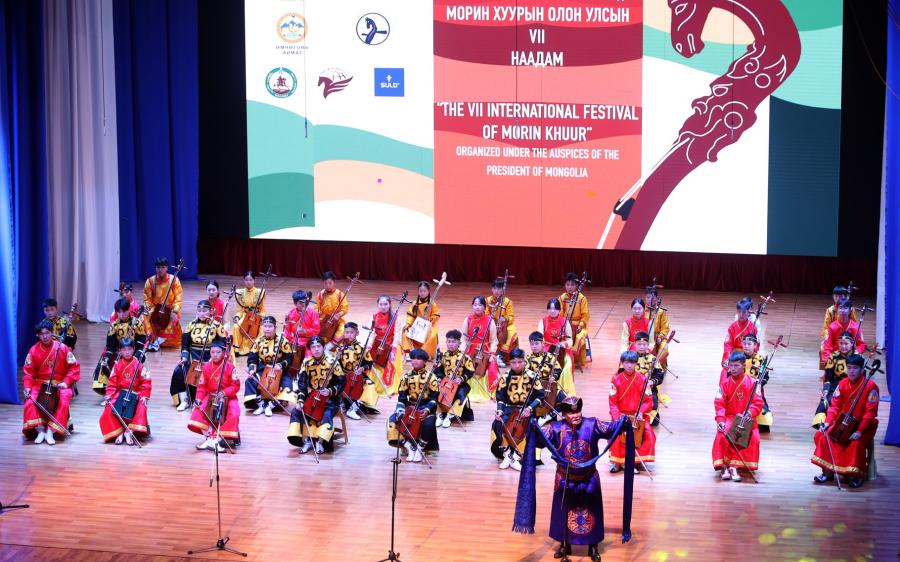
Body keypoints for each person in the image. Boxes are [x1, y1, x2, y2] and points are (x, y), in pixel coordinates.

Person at [530, 396, 632, 562]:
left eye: (578, 411)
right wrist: (532, 427)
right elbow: (540, 441)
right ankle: (565, 545)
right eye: (571, 413)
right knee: (563, 512)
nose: (575, 415)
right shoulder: (555, 428)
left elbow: (610, 428)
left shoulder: (592, 424)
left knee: (591, 512)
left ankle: (593, 546)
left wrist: (623, 421)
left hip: (588, 478)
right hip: (565, 479)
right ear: (564, 414)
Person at [811, 354, 878, 488]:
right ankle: (827, 471)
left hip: (864, 425)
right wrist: (828, 422)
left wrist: (859, 431)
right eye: (849, 368)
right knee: (824, 435)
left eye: (855, 368)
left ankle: (856, 474)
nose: (851, 371)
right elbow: (835, 406)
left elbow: (869, 413)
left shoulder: (871, 386)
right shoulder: (842, 383)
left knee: (855, 443)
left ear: (862, 369)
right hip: (844, 422)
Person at [22, 321, 81, 444]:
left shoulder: (62, 348)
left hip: (59, 384)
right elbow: (28, 372)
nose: (45, 336)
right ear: (38, 335)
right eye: (41, 334)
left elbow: (74, 367)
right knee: (30, 401)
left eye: (47, 333)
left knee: (63, 400)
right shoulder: (33, 350)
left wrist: (66, 382)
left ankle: (50, 431)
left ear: (52, 333)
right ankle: (40, 430)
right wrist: (27, 387)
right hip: (40, 384)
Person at [287, 337, 345, 455]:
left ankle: (320, 441)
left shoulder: (332, 361)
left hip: (330, 398)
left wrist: (330, 391)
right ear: (310, 349)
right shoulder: (306, 362)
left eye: (319, 346)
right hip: (312, 396)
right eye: (313, 347)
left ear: (323, 347)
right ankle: (306, 440)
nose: (316, 349)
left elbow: (342, 383)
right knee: (298, 410)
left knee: (326, 413)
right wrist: (300, 401)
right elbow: (302, 384)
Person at [713, 351, 764, 481]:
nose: (733, 369)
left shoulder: (753, 383)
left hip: (746, 418)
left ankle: (734, 466)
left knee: (754, 437)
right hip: (730, 417)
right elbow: (719, 404)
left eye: (736, 365)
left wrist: (750, 412)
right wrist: (721, 420)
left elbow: (758, 402)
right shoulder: (724, 384)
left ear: (744, 366)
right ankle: (724, 466)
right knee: (722, 434)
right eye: (731, 365)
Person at [491, 349, 543, 471]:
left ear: (525, 361)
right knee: (498, 423)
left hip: (526, 410)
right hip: (510, 408)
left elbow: (540, 396)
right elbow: (500, 397)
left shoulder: (532, 376)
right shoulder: (505, 377)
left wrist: (530, 408)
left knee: (529, 427)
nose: (517, 365)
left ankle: (516, 455)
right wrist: (500, 411)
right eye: (514, 362)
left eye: (520, 362)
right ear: (510, 363)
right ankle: (507, 454)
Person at [171, 300, 227, 410]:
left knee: (205, 375)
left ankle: (200, 401)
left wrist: (212, 359)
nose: (202, 313)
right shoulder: (191, 325)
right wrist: (184, 357)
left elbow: (222, 345)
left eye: (205, 311)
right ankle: (185, 400)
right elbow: (185, 344)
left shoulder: (217, 326)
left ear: (211, 311)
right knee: (179, 371)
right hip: (193, 357)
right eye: (199, 311)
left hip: (211, 357)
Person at [387, 348, 440, 462]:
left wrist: (427, 410)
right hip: (410, 406)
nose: (415, 361)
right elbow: (402, 397)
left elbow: (435, 397)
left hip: (426, 406)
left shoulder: (431, 377)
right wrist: (400, 410)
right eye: (413, 358)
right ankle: (409, 446)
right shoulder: (406, 377)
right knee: (392, 421)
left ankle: (420, 448)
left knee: (428, 423)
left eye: (419, 358)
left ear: (425, 361)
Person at [188, 341, 241, 452]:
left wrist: (225, 392)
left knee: (234, 413)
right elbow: (202, 386)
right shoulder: (206, 367)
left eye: (218, 352)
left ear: (223, 353)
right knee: (198, 410)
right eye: (213, 352)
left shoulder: (230, 367)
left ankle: (217, 439)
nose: (215, 355)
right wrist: (198, 398)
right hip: (211, 395)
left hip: (228, 397)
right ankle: (209, 438)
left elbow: (236, 385)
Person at [609, 351, 656, 473]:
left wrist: (641, 412)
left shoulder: (643, 379)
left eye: (632, 363)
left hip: (637, 415)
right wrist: (617, 418)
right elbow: (613, 403)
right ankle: (617, 462)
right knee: (617, 433)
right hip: (621, 415)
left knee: (649, 434)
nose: (629, 366)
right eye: (626, 363)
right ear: (622, 363)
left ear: (636, 363)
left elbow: (648, 400)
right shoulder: (615, 380)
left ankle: (632, 462)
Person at [99, 338, 151, 445]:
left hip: (136, 393)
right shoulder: (117, 365)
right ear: (120, 351)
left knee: (142, 405)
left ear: (133, 349)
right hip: (120, 392)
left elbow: (146, 381)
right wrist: (109, 395)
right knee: (109, 406)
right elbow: (112, 382)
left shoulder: (139, 365)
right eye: (124, 350)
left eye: (129, 349)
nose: (127, 352)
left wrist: (144, 395)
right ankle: (119, 432)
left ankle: (129, 432)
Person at [94, 298, 148, 395]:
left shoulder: (137, 323)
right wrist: (107, 358)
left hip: (134, 352)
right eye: (119, 312)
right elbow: (110, 346)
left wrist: (135, 356)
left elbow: (141, 344)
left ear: (129, 310)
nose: (121, 314)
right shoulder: (114, 325)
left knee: (132, 363)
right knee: (104, 362)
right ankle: (110, 391)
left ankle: (131, 390)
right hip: (119, 352)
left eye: (124, 311)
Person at [243, 316, 294, 416]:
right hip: (263, 367)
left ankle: (271, 406)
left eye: (270, 326)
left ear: (275, 327)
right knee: (250, 381)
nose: (267, 329)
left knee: (287, 385)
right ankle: (261, 405)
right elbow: (252, 358)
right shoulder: (258, 341)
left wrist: (281, 365)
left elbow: (289, 357)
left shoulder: (282, 340)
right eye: (265, 326)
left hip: (279, 369)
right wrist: (252, 369)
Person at [335, 322, 378, 420]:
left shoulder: (362, 347)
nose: (349, 335)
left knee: (369, 385)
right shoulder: (340, 347)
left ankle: (353, 407)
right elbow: (337, 364)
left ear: (357, 333)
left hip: (358, 374)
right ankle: (344, 403)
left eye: (352, 332)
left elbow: (369, 363)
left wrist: (362, 368)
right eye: (347, 332)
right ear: (344, 333)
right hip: (344, 373)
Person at [433, 329, 475, 427]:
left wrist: (461, 378)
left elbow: (470, 372)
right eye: (449, 341)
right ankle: (440, 415)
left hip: (459, 384)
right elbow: (438, 370)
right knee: (436, 392)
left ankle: (450, 416)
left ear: (459, 343)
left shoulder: (465, 357)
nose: (451, 344)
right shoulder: (443, 355)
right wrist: (440, 378)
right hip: (445, 382)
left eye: (454, 342)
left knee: (461, 395)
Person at [527, 331, 570, 426]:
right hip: (535, 386)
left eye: (537, 343)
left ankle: (549, 416)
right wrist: (534, 376)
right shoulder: (528, 358)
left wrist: (554, 376)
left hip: (550, 385)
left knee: (565, 400)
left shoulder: (550, 357)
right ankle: (534, 418)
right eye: (532, 344)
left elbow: (558, 369)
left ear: (543, 343)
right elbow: (525, 371)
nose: (534, 346)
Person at [813, 332, 854, 428]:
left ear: (852, 343)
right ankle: (822, 425)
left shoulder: (858, 357)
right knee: (825, 400)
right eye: (841, 343)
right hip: (836, 385)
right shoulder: (834, 356)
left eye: (846, 343)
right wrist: (825, 391)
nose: (843, 346)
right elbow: (828, 377)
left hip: (852, 385)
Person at [462, 296, 499, 400]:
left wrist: (492, 354)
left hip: (485, 351)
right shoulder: (468, 319)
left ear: (484, 307)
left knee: (492, 366)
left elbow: (494, 340)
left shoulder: (490, 320)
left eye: (480, 305)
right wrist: (462, 352)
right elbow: (463, 339)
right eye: (475, 305)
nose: (477, 307)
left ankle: (489, 391)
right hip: (471, 350)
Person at [143, 257, 183, 351]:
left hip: (170, 308)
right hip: (155, 307)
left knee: (173, 318)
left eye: (163, 267)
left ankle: (158, 342)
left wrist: (175, 310)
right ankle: (150, 339)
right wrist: (148, 308)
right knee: (145, 317)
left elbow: (178, 297)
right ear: (155, 268)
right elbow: (147, 299)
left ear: (167, 268)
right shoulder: (150, 281)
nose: (160, 270)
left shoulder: (174, 280)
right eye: (158, 267)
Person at [369, 294, 404, 395]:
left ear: (390, 305)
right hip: (377, 343)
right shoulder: (374, 317)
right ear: (378, 305)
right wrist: (369, 346)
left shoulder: (396, 318)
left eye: (385, 304)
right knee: (370, 360)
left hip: (391, 343)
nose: (383, 306)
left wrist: (393, 349)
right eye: (381, 304)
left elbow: (397, 335)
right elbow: (372, 333)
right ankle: (374, 386)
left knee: (391, 359)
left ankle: (390, 387)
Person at [538, 298, 575, 387]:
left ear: (559, 310)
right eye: (550, 308)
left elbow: (570, 340)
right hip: (547, 348)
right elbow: (539, 338)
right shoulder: (543, 321)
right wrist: (541, 343)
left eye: (555, 309)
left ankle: (563, 386)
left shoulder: (565, 322)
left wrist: (563, 344)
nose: (552, 311)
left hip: (562, 349)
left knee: (567, 364)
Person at [633, 332, 667, 427]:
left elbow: (660, 376)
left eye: (644, 344)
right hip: (633, 388)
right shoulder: (630, 358)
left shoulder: (653, 359)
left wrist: (651, 382)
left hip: (649, 389)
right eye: (639, 344)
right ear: (635, 344)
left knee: (653, 421)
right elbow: (621, 372)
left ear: (648, 345)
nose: (641, 347)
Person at [401, 281, 440, 360]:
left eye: (424, 291)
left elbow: (436, 315)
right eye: (420, 291)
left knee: (432, 335)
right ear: (418, 292)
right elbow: (411, 315)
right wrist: (408, 324)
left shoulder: (432, 303)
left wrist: (429, 319)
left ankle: (426, 354)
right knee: (405, 331)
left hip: (429, 325)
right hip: (417, 324)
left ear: (428, 292)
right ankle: (411, 352)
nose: (422, 293)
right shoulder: (415, 303)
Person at [559, 273, 590, 367]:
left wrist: (580, 326)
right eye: (567, 284)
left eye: (572, 285)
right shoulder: (562, 298)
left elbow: (585, 315)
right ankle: (561, 358)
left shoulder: (582, 298)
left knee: (579, 338)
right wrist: (562, 324)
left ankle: (575, 360)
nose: (570, 287)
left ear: (577, 285)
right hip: (565, 324)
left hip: (578, 325)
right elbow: (560, 313)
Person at [233, 271, 266, 356]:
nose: (248, 282)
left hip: (256, 316)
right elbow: (239, 310)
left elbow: (262, 309)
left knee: (261, 329)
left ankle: (254, 349)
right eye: (246, 280)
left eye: (250, 280)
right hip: (245, 315)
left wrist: (262, 318)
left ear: (254, 280)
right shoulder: (240, 293)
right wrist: (237, 317)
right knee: (236, 326)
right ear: (244, 280)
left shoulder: (260, 292)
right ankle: (237, 349)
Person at [487, 278, 518, 367]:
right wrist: (491, 318)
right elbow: (485, 314)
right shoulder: (488, 300)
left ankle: (500, 355)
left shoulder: (508, 302)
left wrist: (505, 318)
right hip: (491, 323)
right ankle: (488, 354)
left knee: (512, 330)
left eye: (499, 289)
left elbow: (511, 317)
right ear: (492, 289)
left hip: (503, 325)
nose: (497, 291)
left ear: (503, 290)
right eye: (495, 288)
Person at [284, 290, 320, 367]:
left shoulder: (313, 313)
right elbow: (287, 331)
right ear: (295, 303)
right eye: (301, 303)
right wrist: (292, 341)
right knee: (288, 360)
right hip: (295, 341)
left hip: (310, 341)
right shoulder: (290, 313)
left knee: (309, 361)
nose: (303, 304)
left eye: (305, 302)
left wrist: (305, 331)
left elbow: (316, 330)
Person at [315, 271, 349, 348]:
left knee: (343, 331)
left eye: (330, 283)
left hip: (336, 320)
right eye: (325, 283)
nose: (328, 285)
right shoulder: (320, 294)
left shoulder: (340, 294)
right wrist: (317, 311)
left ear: (334, 282)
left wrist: (338, 314)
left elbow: (345, 309)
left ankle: (329, 347)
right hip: (323, 320)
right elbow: (316, 306)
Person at [722, 297, 757, 365]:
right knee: (726, 371)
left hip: (748, 356)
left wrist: (749, 354)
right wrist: (728, 359)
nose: (741, 315)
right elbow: (728, 345)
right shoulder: (732, 327)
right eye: (739, 312)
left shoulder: (753, 328)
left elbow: (756, 345)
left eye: (744, 312)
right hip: (734, 357)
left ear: (748, 312)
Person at [644, 285, 670, 367]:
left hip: (658, 337)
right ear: (645, 298)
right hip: (645, 338)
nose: (650, 300)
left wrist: (660, 337)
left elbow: (665, 328)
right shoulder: (641, 310)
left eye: (653, 297)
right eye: (648, 297)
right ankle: (647, 367)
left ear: (657, 298)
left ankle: (658, 367)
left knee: (664, 350)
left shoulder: (661, 312)